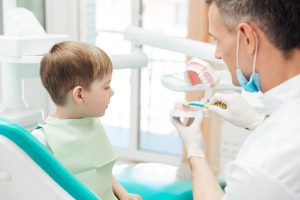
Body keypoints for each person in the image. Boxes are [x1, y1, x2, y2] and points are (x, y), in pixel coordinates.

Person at [171, 0, 300, 200]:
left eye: (217, 40)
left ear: (248, 38)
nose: (217, 54)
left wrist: (195, 152)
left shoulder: (265, 162)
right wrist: (256, 121)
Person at [32, 41, 141, 200]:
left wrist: (124, 194)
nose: (112, 92)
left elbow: (102, 172)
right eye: (106, 87)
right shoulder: (43, 140)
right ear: (80, 95)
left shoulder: (91, 121)